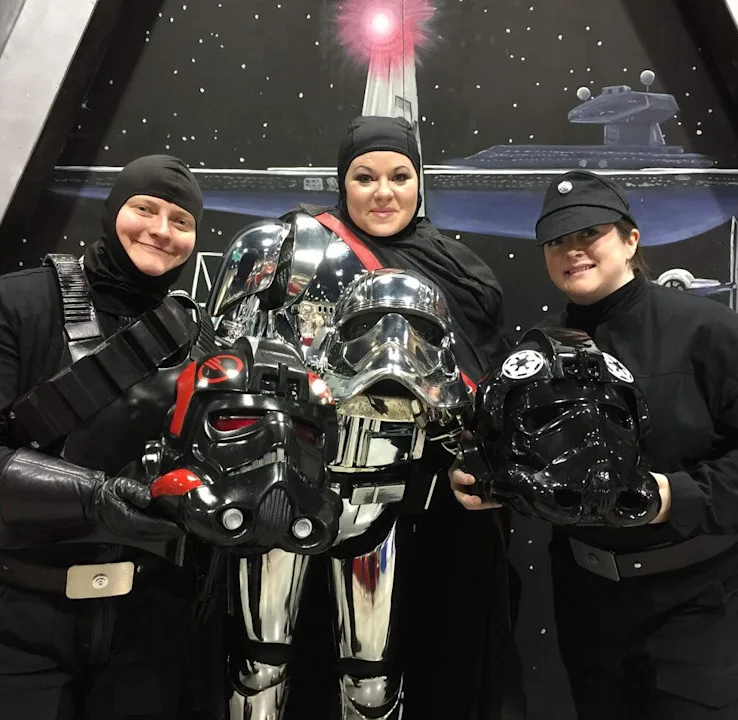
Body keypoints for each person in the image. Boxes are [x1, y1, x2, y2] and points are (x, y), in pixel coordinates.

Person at [451, 169, 738, 719]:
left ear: (630, 239)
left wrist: (669, 495)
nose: (572, 251)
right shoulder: (535, 354)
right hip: (590, 609)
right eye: (556, 241)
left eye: (588, 234)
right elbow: (527, 463)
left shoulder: (707, 330)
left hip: (698, 610)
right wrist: (489, 478)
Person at [208, 115, 523, 719]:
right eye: (365, 176)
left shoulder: (455, 272)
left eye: (400, 176)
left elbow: (469, 393)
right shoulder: (281, 246)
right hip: (277, 488)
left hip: (380, 494)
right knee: (257, 668)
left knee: (372, 682)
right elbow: (217, 366)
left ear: (419, 183)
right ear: (342, 181)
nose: (384, 191)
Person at [0, 154, 220, 720]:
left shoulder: (203, 343)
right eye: (145, 209)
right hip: (6, 621)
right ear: (112, 214)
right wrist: (93, 497)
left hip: (146, 629)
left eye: (181, 221)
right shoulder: (17, 303)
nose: (161, 230)